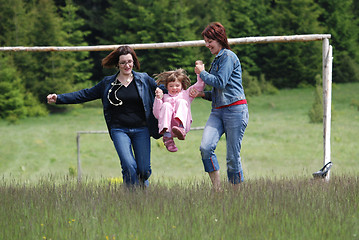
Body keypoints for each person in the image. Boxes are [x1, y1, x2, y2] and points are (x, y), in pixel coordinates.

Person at [47, 45, 164, 187]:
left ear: (134, 61)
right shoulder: (108, 83)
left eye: (129, 61)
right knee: (129, 166)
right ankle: (133, 199)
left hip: (141, 129)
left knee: (144, 170)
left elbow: (164, 89)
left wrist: (178, 92)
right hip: (119, 130)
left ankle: (141, 188)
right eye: (123, 62)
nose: (127, 65)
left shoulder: (144, 79)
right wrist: (59, 98)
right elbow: (85, 94)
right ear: (117, 64)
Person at [190, 22, 249, 190]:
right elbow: (218, 92)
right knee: (205, 148)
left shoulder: (228, 56)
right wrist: (201, 94)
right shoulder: (217, 59)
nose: (207, 45)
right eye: (206, 42)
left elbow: (220, 82)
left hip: (235, 110)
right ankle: (217, 190)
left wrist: (201, 72)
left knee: (232, 156)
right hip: (218, 111)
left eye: (210, 41)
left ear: (219, 38)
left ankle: (236, 194)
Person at [153, 66, 205, 152]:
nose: (174, 88)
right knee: (166, 105)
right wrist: (158, 99)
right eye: (171, 86)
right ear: (166, 87)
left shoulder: (186, 94)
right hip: (169, 126)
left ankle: (181, 128)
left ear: (181, 86)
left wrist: (200, 73)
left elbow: (200, 86)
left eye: (177, 85)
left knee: (181, 101)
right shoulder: (164, 97)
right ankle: (167, 137)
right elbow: (157, 114)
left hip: (183, 127)